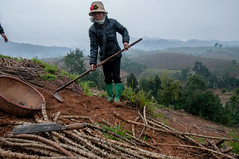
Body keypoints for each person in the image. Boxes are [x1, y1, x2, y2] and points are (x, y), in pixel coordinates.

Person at [88, 1, 130, 104]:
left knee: (116, 76)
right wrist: (92, 62)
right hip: (104, 57)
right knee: (107, 77)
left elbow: (124, 30)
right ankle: (110, 97)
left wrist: (125, 41)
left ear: (104, 13)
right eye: (95, 13)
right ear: (92, 16)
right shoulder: (92, 29)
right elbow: (94, 46)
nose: (97, 15)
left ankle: (117, 98)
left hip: (116, 54)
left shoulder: (113, 23)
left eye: (99, 13)